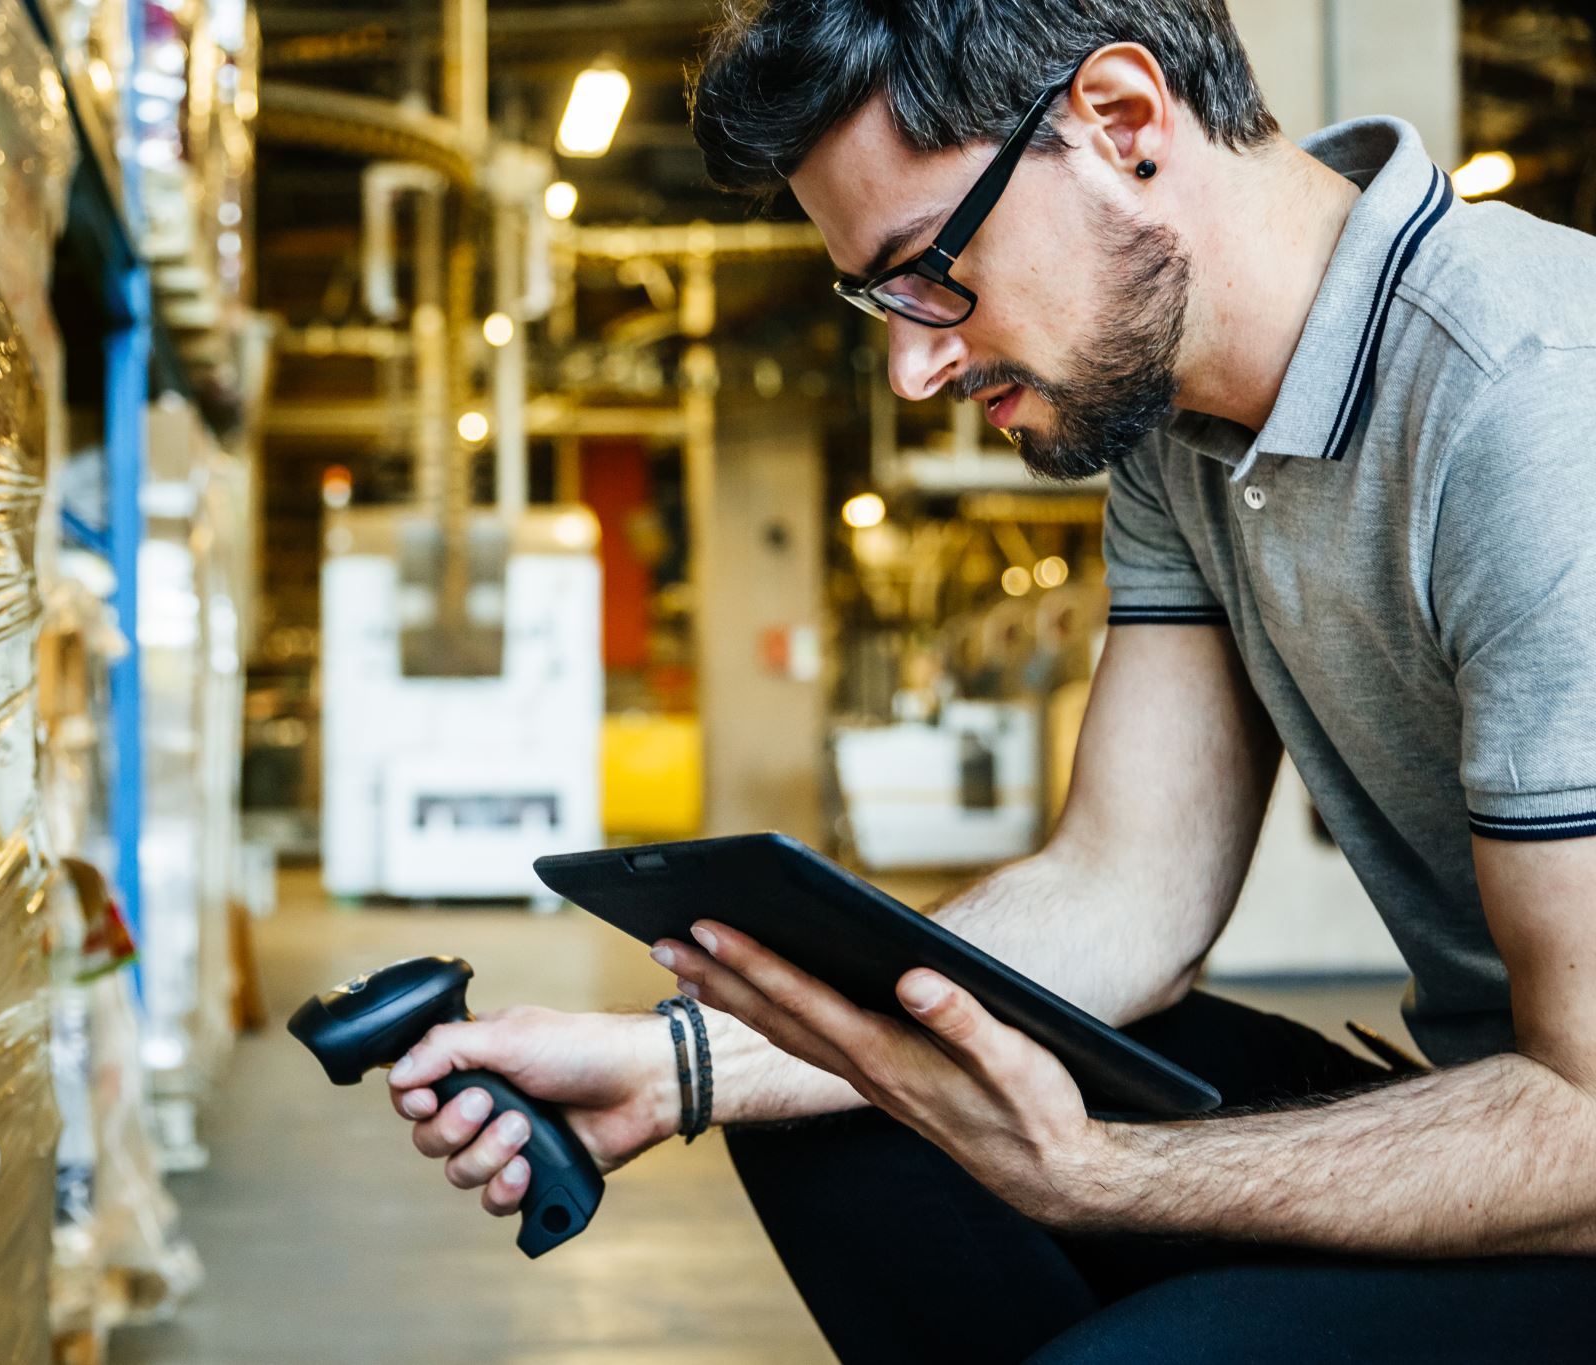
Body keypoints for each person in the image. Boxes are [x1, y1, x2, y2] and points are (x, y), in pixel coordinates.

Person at [381, 2, 1596, 1358]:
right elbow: (1130, 889)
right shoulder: (1169, 420)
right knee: (851, 1113)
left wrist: (1102, 1176)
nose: (914, 365)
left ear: (1123, 125)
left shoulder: (1534, 403)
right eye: (882, 301)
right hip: (1518, 1112)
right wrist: (681, 1062)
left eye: (932, 269)